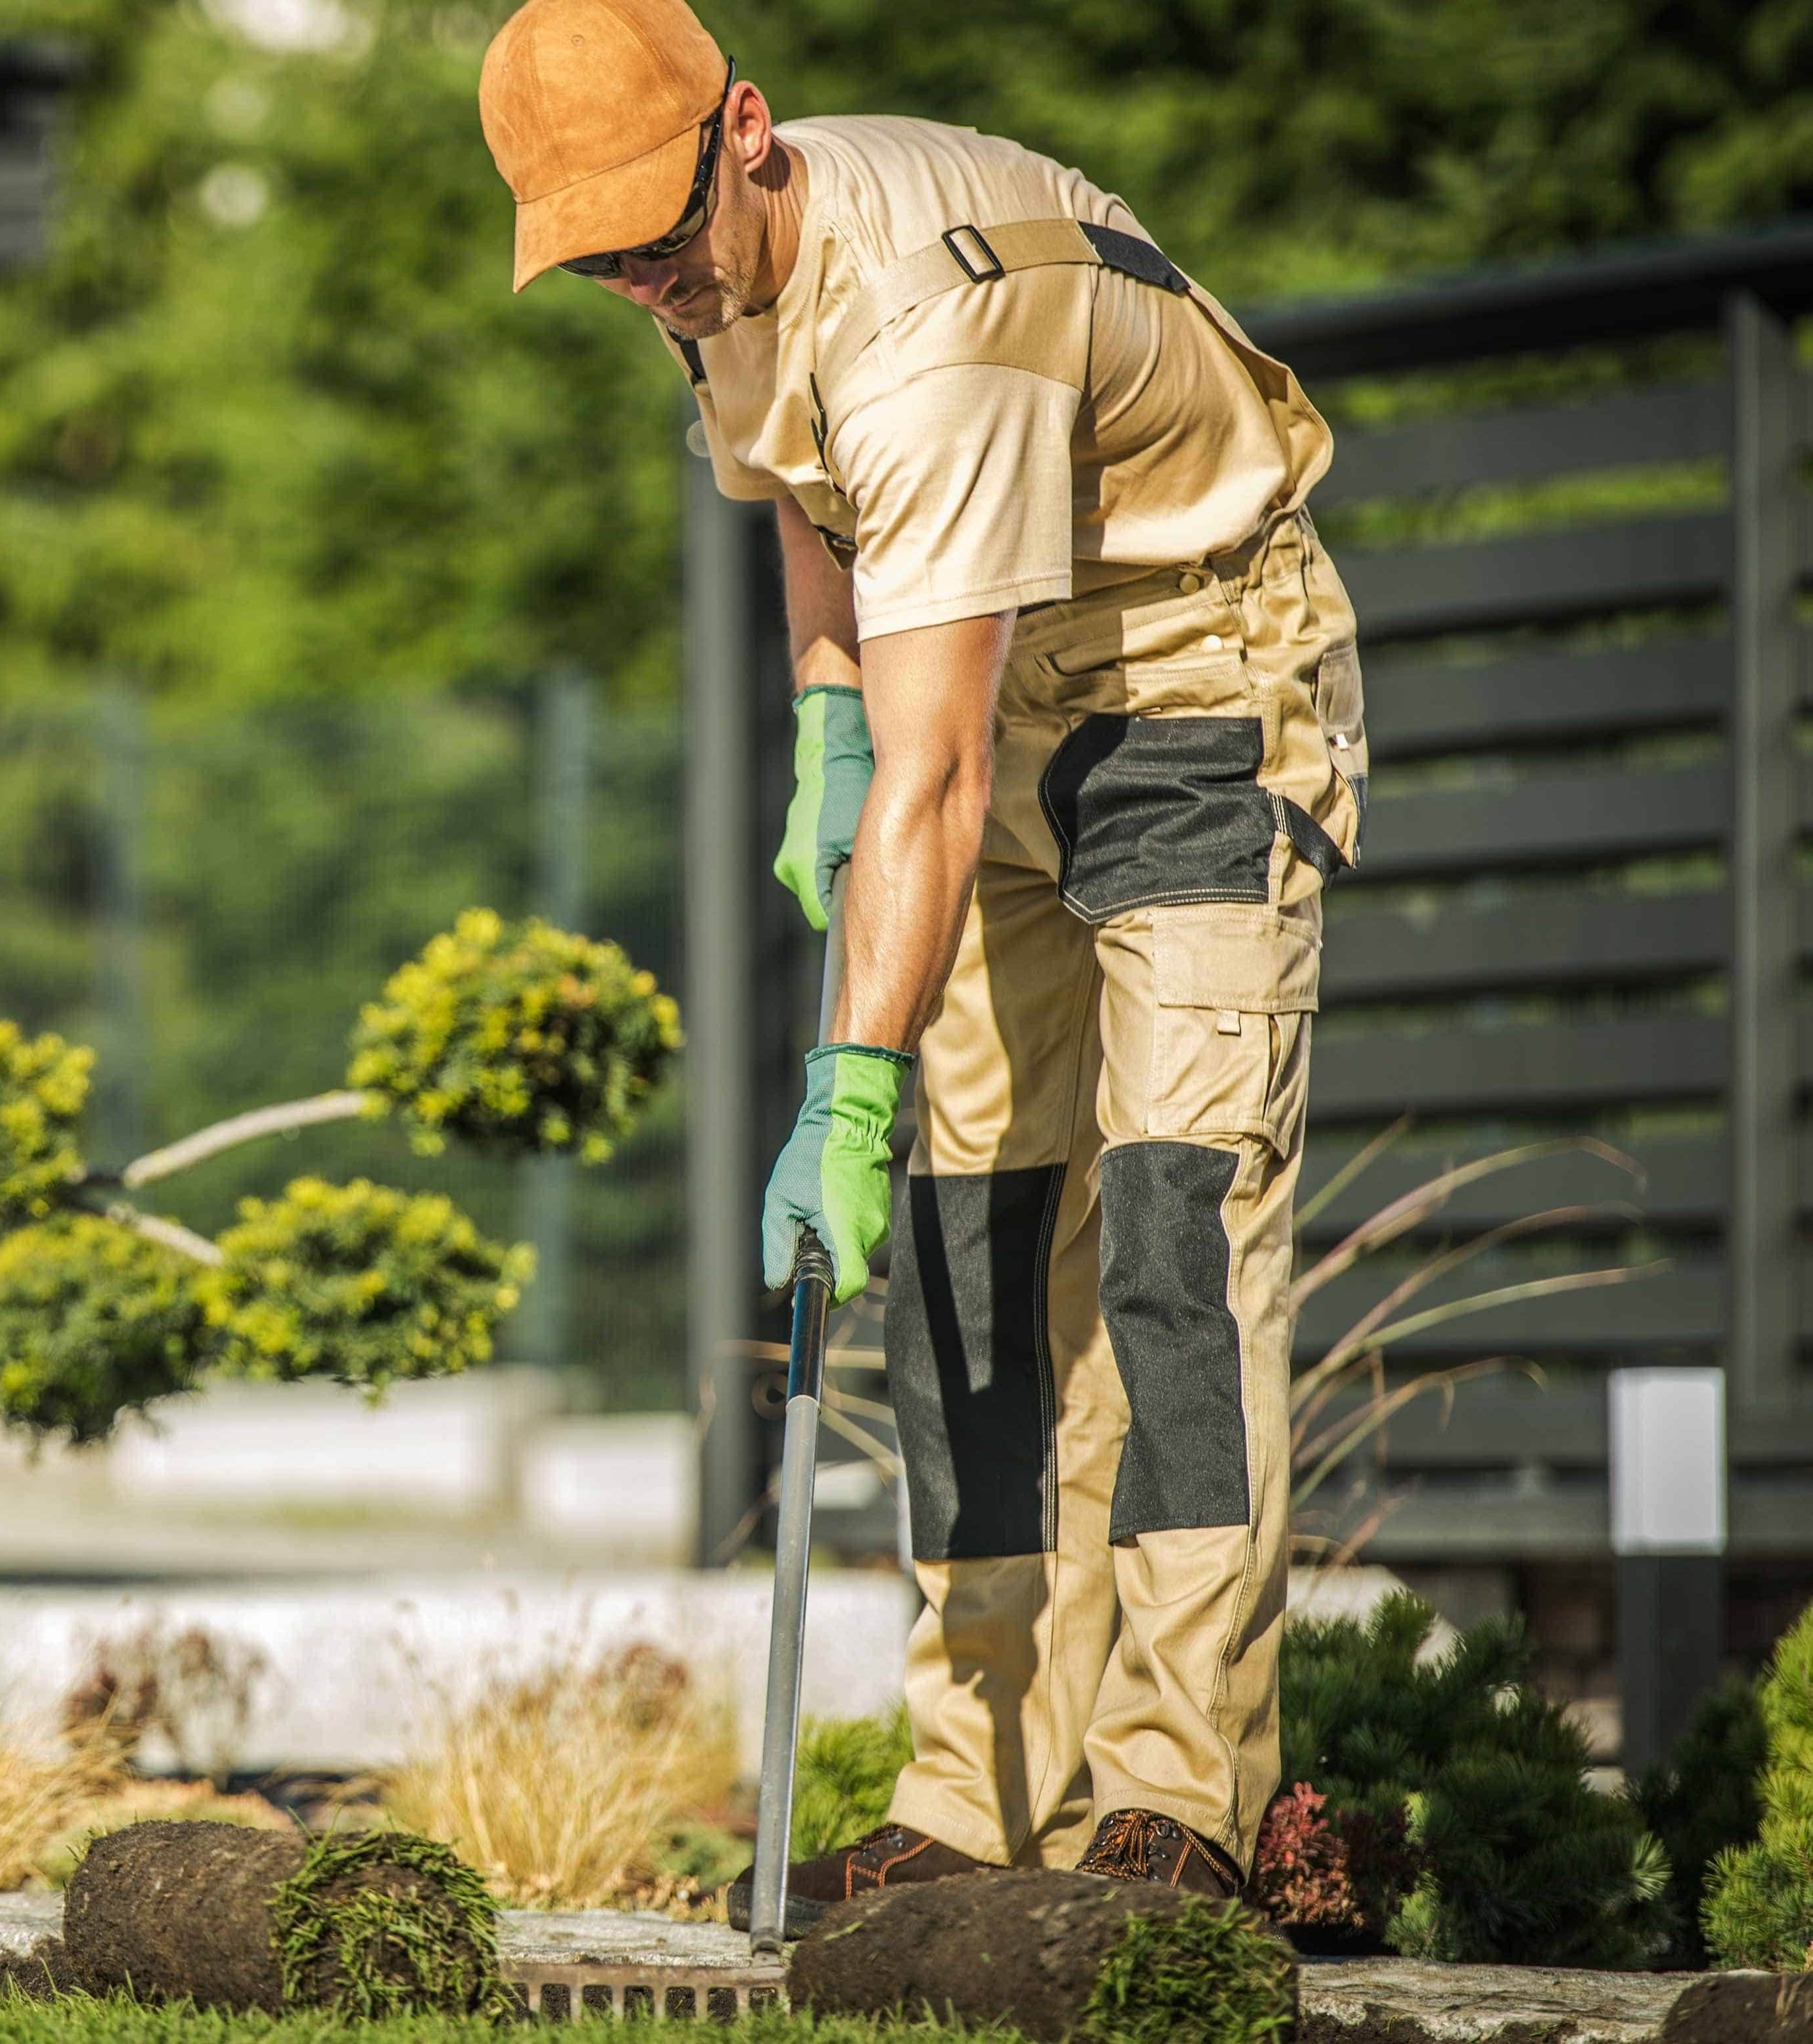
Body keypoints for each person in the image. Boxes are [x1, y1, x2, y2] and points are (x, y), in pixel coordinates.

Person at [478, 0, 1368, 1927]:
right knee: (969, 1249)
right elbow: (810, 498)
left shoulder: (929, 322)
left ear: (747, 129)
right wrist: (822, 726)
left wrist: (849, 1087)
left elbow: (943, 766)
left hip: (1188, 693)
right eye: (604, 257)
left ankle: (1177, 1795)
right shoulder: (705, 268)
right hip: (982, 691)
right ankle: (976, 1793)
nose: (646, 280)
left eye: (657, 234)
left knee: (1165, 1231)